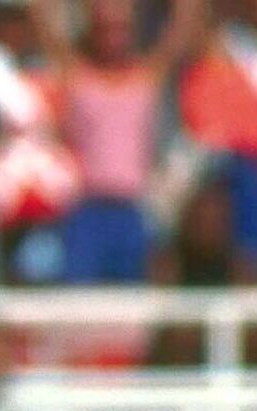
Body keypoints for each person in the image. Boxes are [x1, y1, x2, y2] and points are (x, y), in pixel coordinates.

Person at [33, 0, 206, 283]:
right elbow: (44, 23)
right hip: (86, 209)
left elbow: (181, 31)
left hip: (132, 209)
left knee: (133, 304)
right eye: (105, 29)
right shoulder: (77, 75)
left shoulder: (147, 77)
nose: (114, 37)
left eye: (121, 29)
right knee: (82, 304)